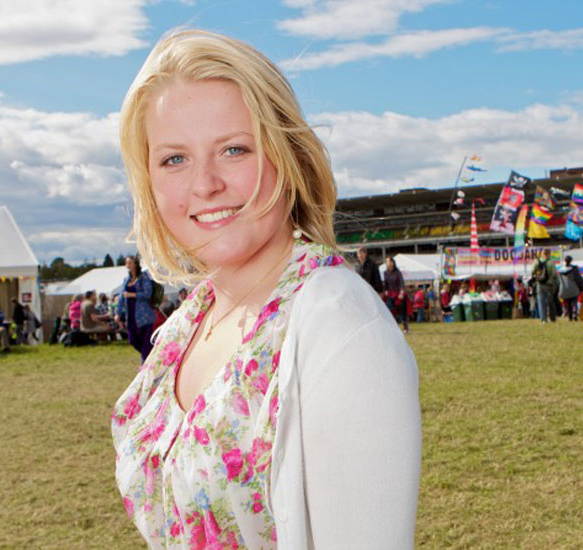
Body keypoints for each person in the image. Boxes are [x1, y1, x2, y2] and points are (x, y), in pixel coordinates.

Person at [110, 29, 420, 550]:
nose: (205, 184)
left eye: (233, 150)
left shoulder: (338, 324)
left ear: (288, 154)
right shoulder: (186, 323)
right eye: (174, 159)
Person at [116, 255, 156, 362]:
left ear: (135, 264)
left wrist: (132, 295)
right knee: (132, 340)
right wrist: (118, 313)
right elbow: (121, 297)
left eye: (130, 263)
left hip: (144, 316)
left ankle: (144, 365)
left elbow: (148, 294)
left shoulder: (144, 277)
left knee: (146, 342)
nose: (128, 265)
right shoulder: (126, 279)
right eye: (126, 263)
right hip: (131, 316)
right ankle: (152, 357)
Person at [383, 255, 409, 334]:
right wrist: (386, 290)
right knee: (390, 309)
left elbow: (401, 283)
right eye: (387, 262)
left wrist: (401, 292)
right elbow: (385, 283)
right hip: (390, 294)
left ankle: (405, 326)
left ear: (393, 262)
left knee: (402, 311)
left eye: (390, 261)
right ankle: (393, 327)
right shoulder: (385, 273)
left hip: (398, 294)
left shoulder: (398, 272)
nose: (389, 263)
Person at [558, 255, 583, 321]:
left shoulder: (560, 270)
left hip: (565, 288)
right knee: (574, 302)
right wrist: (582, 287)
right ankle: (574, 314)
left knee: (568, 303)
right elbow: (578, 278)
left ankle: (570, 316)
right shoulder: (574, 269)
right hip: (574, 288)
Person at [533, 249, 558, 323]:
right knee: (551, 302)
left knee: (541, 302)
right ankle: (552, 318)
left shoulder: (537, 262)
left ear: (542, 254)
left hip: (540, 284)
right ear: (549, 254)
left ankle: (543, 319)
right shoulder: (551, 262)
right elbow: (554, 274)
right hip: (549, 285)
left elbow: (532, 272)